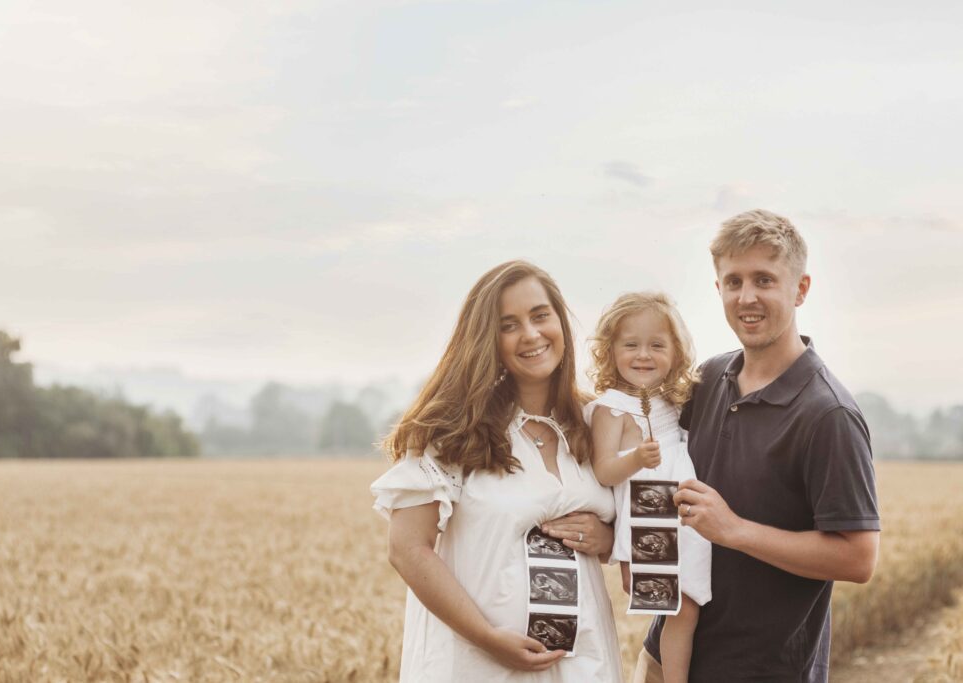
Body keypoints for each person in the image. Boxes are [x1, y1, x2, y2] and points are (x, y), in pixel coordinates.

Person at [632, 210, 881, 682]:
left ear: (800, 288)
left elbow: (858, 557)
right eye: (734, 281)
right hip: (666, 659)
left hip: (762, 672)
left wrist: (734, 530)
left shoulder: (828, 415)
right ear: (718, 289)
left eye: (764, 279)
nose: (747, 297)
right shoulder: (706, 379)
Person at [371, 260, 624, 682]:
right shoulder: (450, 430)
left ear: (560, 321)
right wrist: (487, 637)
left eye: (540, 316)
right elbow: (408, 549)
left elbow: (643, 524)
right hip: (479, 662)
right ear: (487, 338)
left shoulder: (598, 421)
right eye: (509, 325)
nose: (531, 334)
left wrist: (608, 540)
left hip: (581, 662)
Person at [582, 292, 712, 683]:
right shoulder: (611, 407)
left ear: (676, 352)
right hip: (648, 514)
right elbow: (605, 470)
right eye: (631, 345)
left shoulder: (673, 400)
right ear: (610, 351)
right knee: (678, 607)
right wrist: (636, 459)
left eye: (657, 345)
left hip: (684, 512)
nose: (644, 355)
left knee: (690, 603)